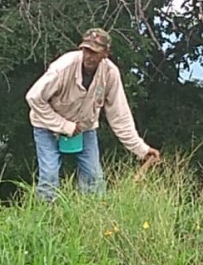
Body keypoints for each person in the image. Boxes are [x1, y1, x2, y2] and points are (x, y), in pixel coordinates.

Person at [25, 28, 161, 201]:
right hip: (47, 126)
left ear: (105, 53)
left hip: (84, 127)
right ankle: (45, 221)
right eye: (86, 50)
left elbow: (120, 116)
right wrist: (65, 126)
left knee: (94, 180)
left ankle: (93, 220)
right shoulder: (63, 67)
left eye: (94, 52)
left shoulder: (110, 73)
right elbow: (33, 98)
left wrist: (142, 150)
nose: (89, 56)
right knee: (50, 176)